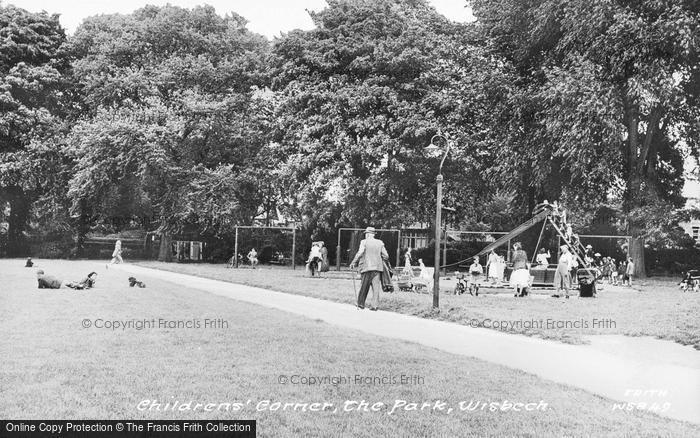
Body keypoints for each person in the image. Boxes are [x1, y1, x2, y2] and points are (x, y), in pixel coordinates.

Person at [349, 227, 389, 311]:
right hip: (377, 269)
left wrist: (353, 262)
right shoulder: (380, 242)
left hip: (366, 267)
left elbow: (360, 253)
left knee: (364, 286)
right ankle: (374, 306)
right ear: (374, 234)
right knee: (376, 288)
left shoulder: (364, 242)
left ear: (367, 234)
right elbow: (386, 256)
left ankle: (360, 304)